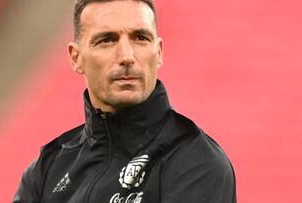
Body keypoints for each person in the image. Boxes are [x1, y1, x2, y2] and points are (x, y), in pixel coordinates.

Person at [13, 0, 236, 202]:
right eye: (107, 40)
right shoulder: (48, 169)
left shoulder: (195, 162)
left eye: (140, 38)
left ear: (158, 52)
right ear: (76, 57)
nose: (127, 56)